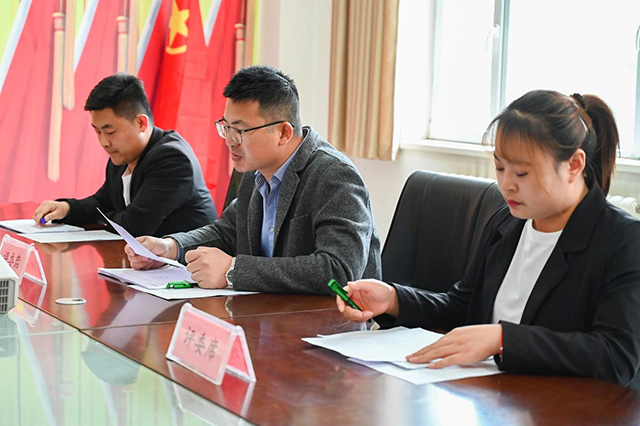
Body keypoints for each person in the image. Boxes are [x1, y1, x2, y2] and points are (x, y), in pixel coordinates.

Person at [338, 90, 640, 389]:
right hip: (494, 396)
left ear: (574, 164)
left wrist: (504, 339)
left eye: (522, 173)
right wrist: (393, 299)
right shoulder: (507, 223)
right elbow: (461, 307)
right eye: (500, 167)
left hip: (567, 405)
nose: (506, 185)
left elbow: (616, 355)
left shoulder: (623, 240)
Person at [125, 65, 381, 294]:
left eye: (240, 130)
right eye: (226, 127)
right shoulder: (255, 170)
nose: (229, 141)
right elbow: (228, 232)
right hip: (269, 314)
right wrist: (170, 247)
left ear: (283, 132)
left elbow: (339, 270)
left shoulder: (334, 176)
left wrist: (233, 270)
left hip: (331, 322)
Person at [33, 73, 218, 237]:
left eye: (110, 132)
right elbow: (102, 202)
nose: (104, 142)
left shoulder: (172, 159)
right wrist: (67, 208)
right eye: (98, 132)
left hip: (187, 263)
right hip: (144, 260)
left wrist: (106, 215)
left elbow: (135, 226)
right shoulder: (123, 156)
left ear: (141, 123)